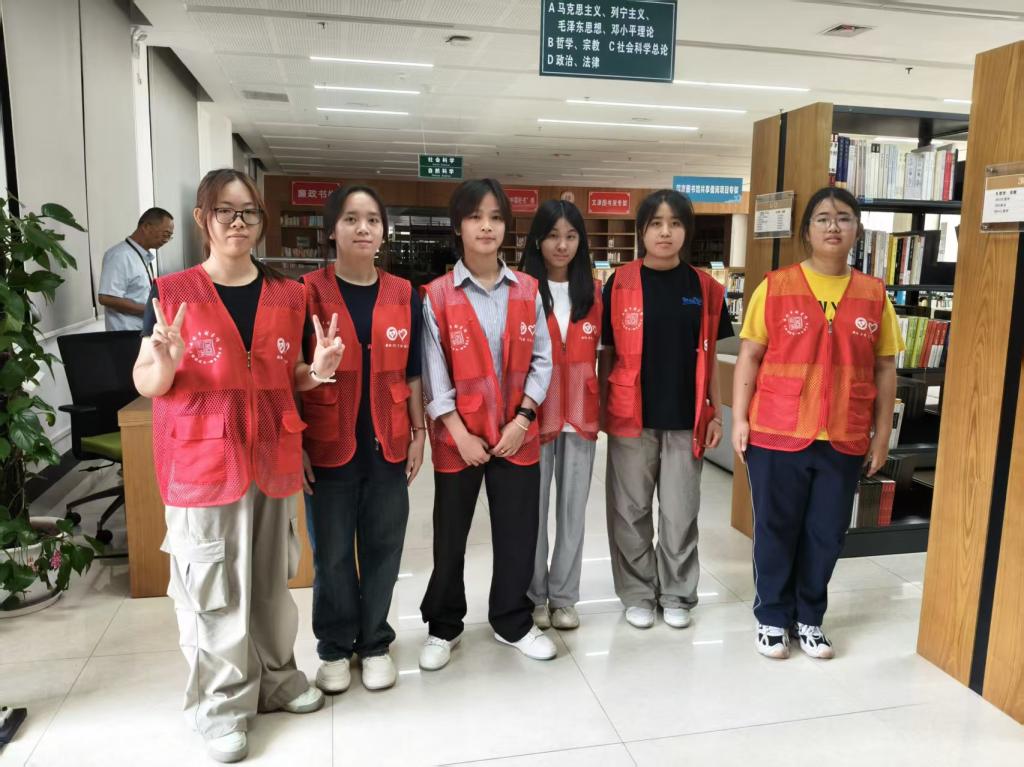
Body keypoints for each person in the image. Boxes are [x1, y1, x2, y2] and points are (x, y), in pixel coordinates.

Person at [132, 169, 343, 764]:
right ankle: (220, 707)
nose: (238, 223)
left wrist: (319, 370)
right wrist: (164, 360)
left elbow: (287, 375)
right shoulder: (172, 293)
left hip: (271, 459)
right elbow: (147, 381)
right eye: (225, 211)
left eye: (249, 212)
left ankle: (277, 680)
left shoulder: (288, 295)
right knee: (213, 593)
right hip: (203, 466)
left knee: (271, 584)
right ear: (203, 218)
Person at [732, 186, 901, 661]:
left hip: (844, 435)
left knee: (826, 534)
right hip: (777, 431)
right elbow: (750, 356)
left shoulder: (874, 295)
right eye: (823, 218)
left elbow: (885, 367)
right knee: (776, 530)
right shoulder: (776, 286)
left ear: (857, 230)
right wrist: (740, 418)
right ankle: (772, 617)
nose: (833, 226)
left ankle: (809, 618)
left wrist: (882, 435)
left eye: (844, 218)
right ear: (806, 230)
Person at [418, 178, 556, 670]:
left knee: (518, 533)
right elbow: (433, 372)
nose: (486, 226)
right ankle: (443, 626)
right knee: (450, 536)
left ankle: (512, 620)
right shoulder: (436, 296)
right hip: (459, 440)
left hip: (517, 436)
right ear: (458, 225)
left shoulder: (528, 290)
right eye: (476, 216)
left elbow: (543, 360)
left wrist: (523, 419)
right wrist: (459, 433)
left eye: (496, 217)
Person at [300, 185, 425, 695]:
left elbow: (413, 370)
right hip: (327, 443)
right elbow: (292, 375)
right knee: (331, 555)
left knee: (383, 548)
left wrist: (419, 432)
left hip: (388, 440)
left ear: (383, 232)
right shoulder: (307, 292)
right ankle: (333, 647)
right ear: (332, 230)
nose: (363, 228)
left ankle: (374, 642)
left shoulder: (404, 293)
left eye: (372, 219)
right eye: (351, 219)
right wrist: (295, 444)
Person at [599, 189, 732, 631]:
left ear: (686, 231)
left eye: (675, 223)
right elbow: (606, 353)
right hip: (630, 416)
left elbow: (711, 356)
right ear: (641, 231)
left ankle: (676, 593)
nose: (665, 232)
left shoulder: (705, 288)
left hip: (685, 418)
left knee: (680, 512)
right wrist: (601, 412)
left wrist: (715, 413)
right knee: (630, 512)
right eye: (655, 223)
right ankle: (638, 593)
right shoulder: (619, 283)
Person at [519, 200, 601, 631]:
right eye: (553, 235)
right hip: (534, 417)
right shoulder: (522, 291)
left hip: (582, 417)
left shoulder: (596, 293)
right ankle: (535, 595)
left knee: (573, 513)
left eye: (571, 236)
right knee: (532, 513)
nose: (562, 245)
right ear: (538, 240)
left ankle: (564, 597)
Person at [98, 207, 174, 330]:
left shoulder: (142, 256)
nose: (166, 240)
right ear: (147, 227)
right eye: (166, 234)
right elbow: (107, 298)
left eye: (169, 236)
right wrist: (150, 310)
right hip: (125, 335)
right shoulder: (120, 255)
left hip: (142, 332)